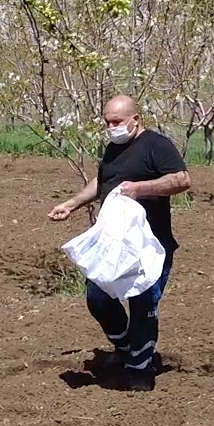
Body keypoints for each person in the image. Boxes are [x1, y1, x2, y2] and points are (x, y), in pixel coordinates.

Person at [48, 94, 191, 391]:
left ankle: (140, 371)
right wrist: (72, 203)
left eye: (117, 121)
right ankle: (128, 349)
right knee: (98, 298)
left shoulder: (156, 145)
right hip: (114, 246)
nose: (112, 127)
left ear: (135, 119)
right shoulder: (113, 148)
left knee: (143, 304)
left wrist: (141, 188)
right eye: (107, 122)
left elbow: (181, 180)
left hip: (150, 247)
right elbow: (103, 182)